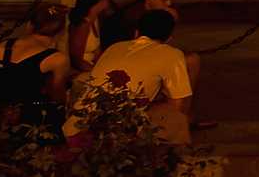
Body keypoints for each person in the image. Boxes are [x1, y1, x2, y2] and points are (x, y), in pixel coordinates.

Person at [73, 9, 192, 145]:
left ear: (136, 32)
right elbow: (177, 104)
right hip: (117, 131)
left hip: (77, 125)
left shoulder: (115, 47)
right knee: (177, 119)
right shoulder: (172, 54)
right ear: (169, 38)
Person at [0, 2, 70, 126]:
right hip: (25, 122)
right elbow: (58, 100)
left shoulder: (2, 46)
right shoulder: (57, 59)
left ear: (29, 25)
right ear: (61, 32)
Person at [66, 0, 116, 75]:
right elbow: (76, 60)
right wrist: (97, 72)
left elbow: (98, 53)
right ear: (101, 0)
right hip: (79, 71)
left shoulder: (96, 19)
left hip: (91, 67)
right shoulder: (83, 23)